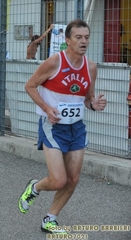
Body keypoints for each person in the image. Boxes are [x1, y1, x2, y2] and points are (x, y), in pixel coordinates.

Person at [18, 19, 107, 234]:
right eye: (78, 37)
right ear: (67, 40)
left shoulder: (91, 67)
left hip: (76, 128)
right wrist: (47, 108)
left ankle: (50, 218)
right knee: (58, 179)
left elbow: (87, 99)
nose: (83, 41)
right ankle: (35, 187)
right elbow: (29, 86)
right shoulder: (54, 62)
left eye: (86, 37)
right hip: (53, 126)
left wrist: (93, 105)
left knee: (73, 179)